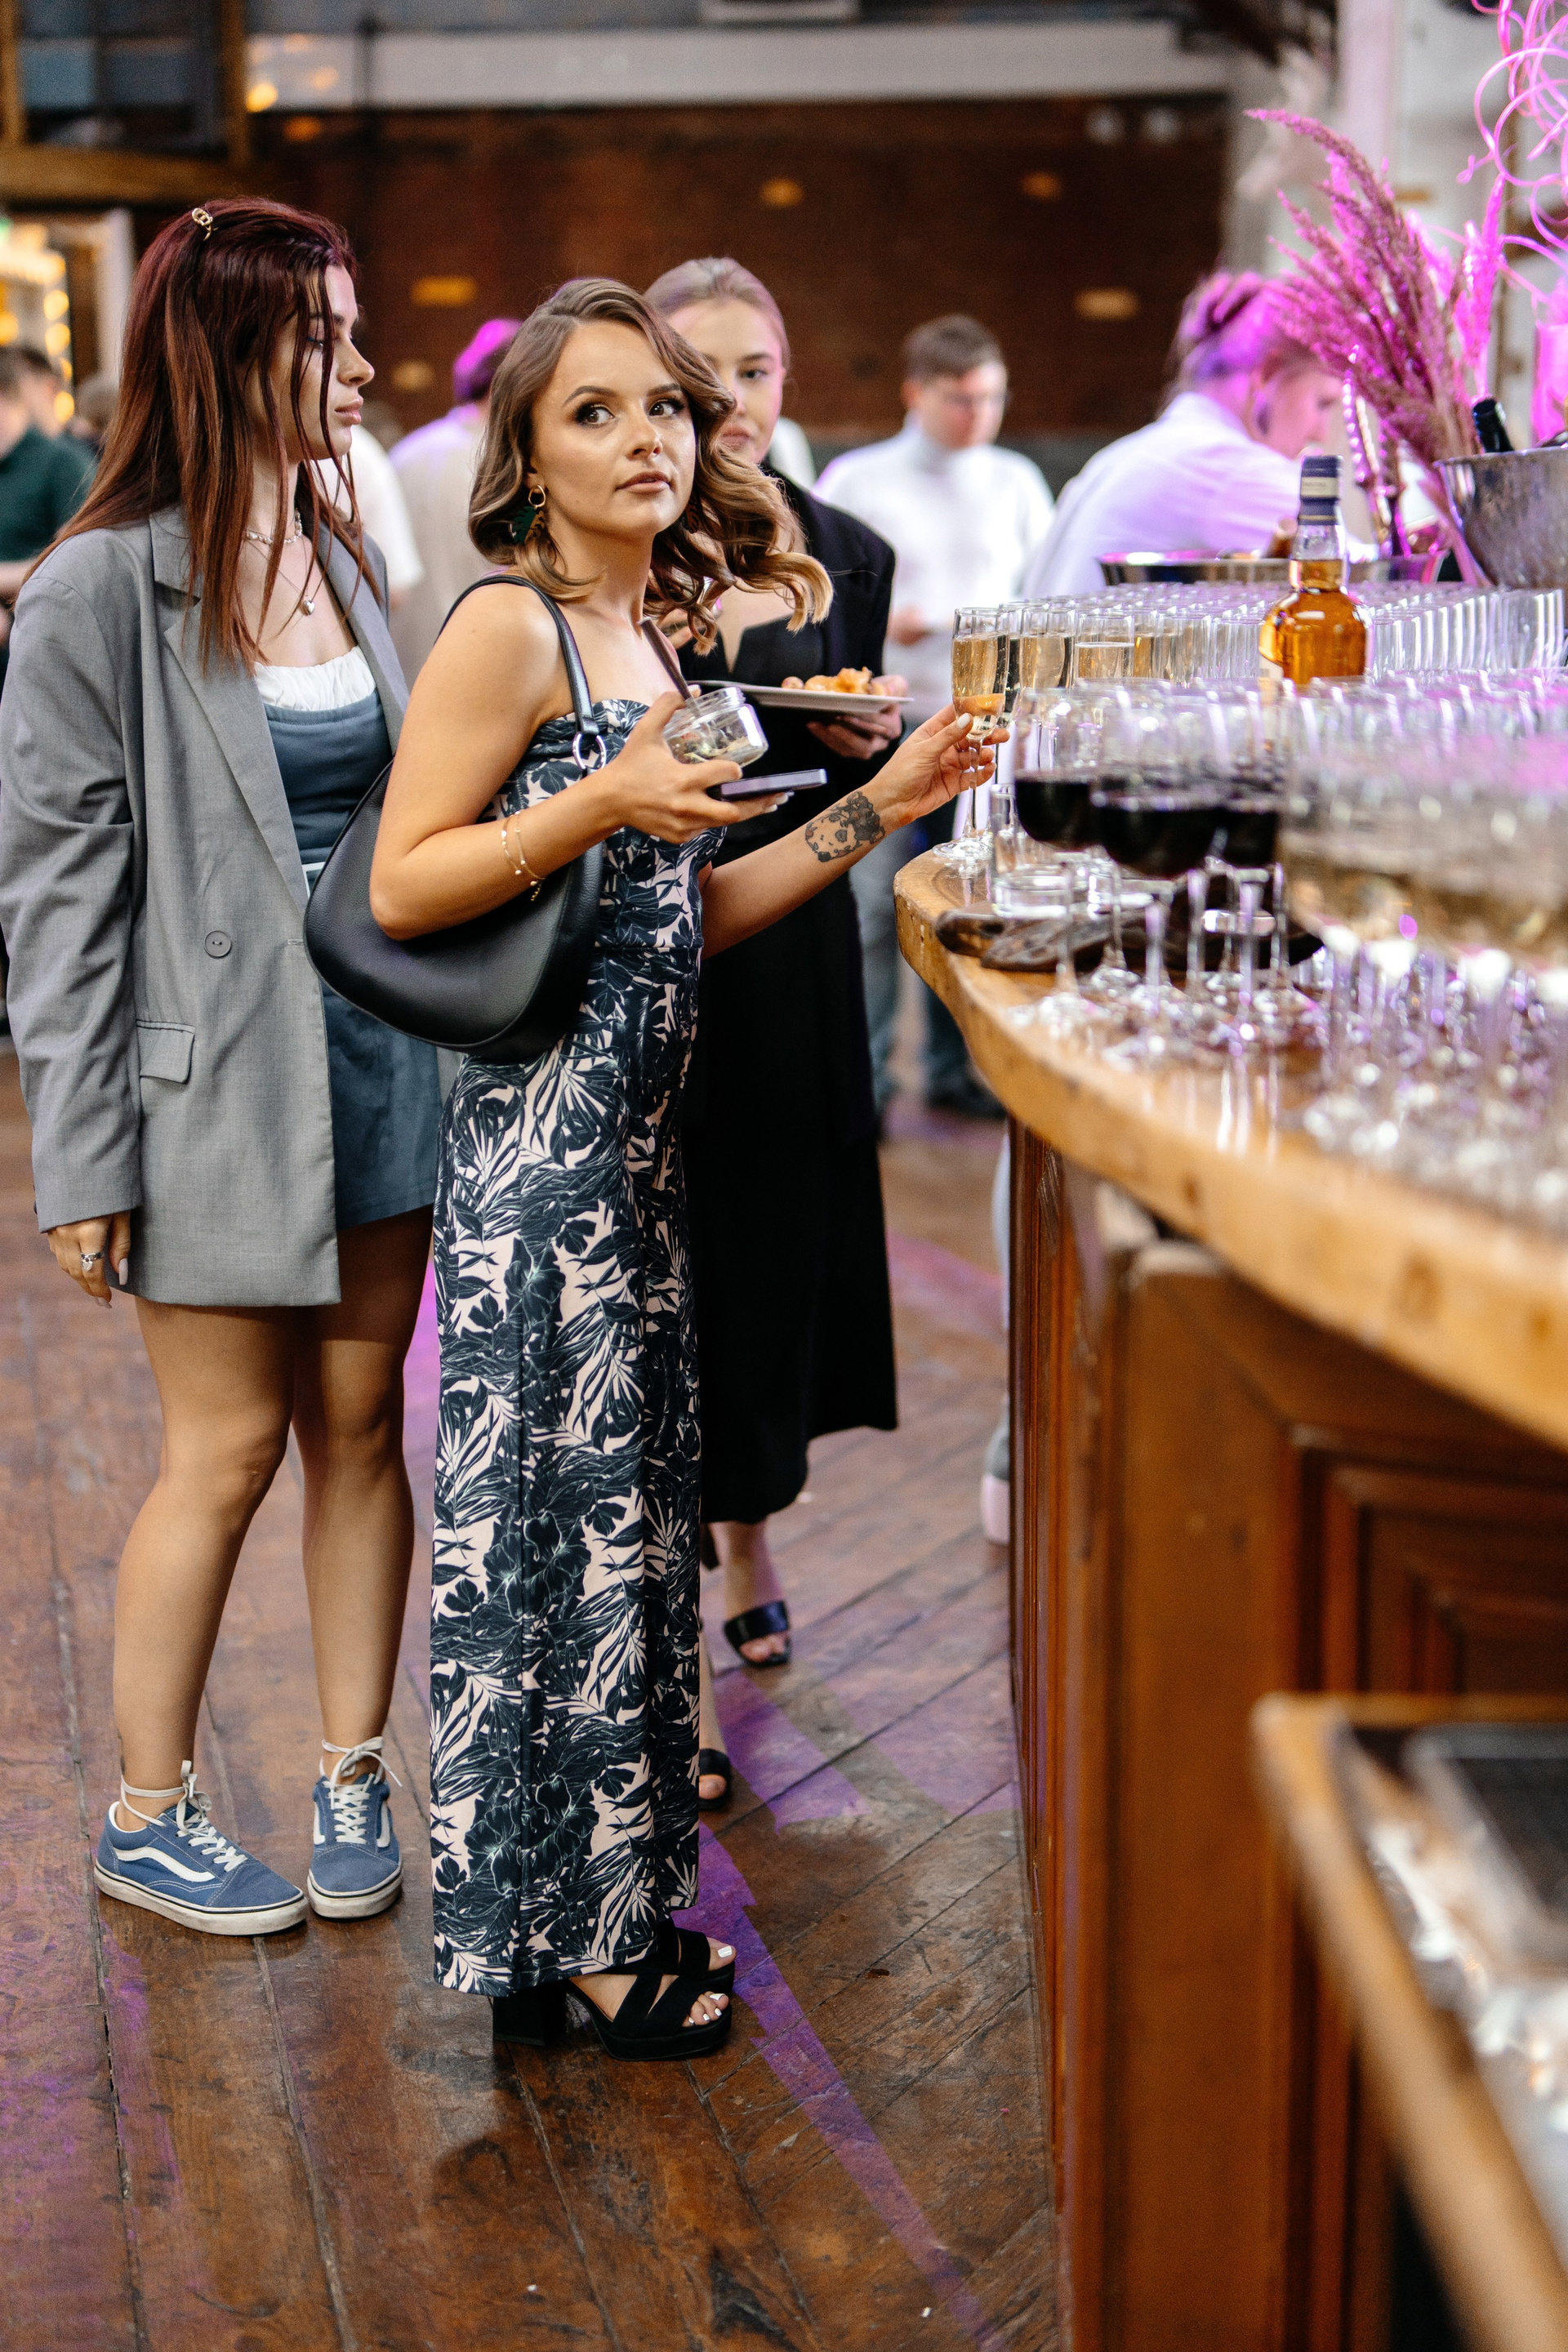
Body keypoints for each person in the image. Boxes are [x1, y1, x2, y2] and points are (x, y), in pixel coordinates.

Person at [368, 275, 987, 2058]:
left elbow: (688, 916)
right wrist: (596, 803)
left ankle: (609, 1914)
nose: (644, 437)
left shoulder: (649, 642)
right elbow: (405, 883)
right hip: (544, 1160)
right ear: (526, 457)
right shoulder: (511, 630)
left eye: (662, 407)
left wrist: (885, 802)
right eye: (596, 411)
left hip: (641, 1150)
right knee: (551, 1551)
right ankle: (564, 1946)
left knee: (630, 1546)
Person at [0, 197, 443, 1937]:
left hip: (380, 1059)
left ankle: (351, 1771)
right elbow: (58, 898)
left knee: (362, 1426)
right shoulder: (98, 584)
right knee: (231, 1448)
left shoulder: (342, 548)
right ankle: (146, 1811)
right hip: (205, 1088)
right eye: (325, 336)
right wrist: (83, 1160)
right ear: (224, 350)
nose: (361, 365)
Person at [643, 256, 902, 1769]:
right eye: (702, 374)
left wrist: (870, 744)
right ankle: (668, 1627)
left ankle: (752, 1533)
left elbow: (852, 749)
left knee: (773, 1261)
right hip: (667, 950)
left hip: (795, 955)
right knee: (675, 1278)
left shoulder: (848, 551)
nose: (732, 401)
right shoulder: (628, 545)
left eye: (756, 370)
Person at [818, 316, 1054, 1119]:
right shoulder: (858, 480)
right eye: (960, 398)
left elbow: (1044, 597)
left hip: (983, 727)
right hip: (886, 724)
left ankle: (956, 1073)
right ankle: (870, 1080)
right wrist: (891, 624)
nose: (977, 415)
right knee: (870, 911)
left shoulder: (1016, 480)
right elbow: (819, 600)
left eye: (991, 398)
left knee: (968, 904)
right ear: (915, 392)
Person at [1021, 271, 1341, 595]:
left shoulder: (1121, 456)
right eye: (1322, 403)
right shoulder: (1225, 466)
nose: (1321, 432)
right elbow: (1351, 584)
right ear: (1268, 374)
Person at [390, 317, 519, 679]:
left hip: (404, 664)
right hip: (481, 661)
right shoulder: (508, 467)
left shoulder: (405, 453)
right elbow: (519, 552)